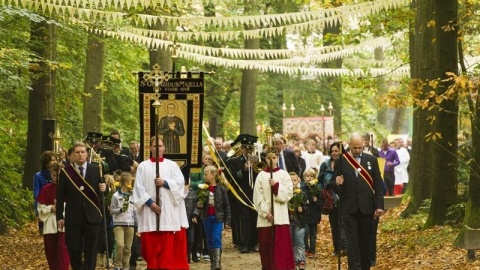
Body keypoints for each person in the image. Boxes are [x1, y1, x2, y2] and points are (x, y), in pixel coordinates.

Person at [132, 136, 189, 269]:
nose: (157, 149)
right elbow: (138, 188)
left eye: (160, 146)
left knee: (166, 248)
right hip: (149, 211)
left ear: (164, 148)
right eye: (154, 146)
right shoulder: (143, 166)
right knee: (150, 248)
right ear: (150, 148)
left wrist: (165, 183)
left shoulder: (172, 165)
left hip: (167, 213)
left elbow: (180, 184)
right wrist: (150, 203)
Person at [334, 133, 385, 270]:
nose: (357, 150)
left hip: (366, 207)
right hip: (349, 208)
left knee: (365, 241)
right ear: (349, 145)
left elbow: (378, 184)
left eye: (359, 147)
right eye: (354, 147)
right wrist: (337, 182)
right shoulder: (341, 160)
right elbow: (333, 185)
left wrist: (379, 205)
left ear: (363, 145)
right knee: (352, 242)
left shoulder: (372, 160)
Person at [56, 141, 107, 270]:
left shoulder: (96, 169)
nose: (80, 155)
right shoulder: (66, 172)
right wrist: (59, 217)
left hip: (92, 216)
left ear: (87, 154)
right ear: (72, 155)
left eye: (83, 152)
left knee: (91, 250)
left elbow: (102, 194)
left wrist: (104, 189)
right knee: (74, 249)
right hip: (73, 217)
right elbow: (60, 196)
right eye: (77, 152)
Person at [253, 151, 295, 270]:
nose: (271, 160)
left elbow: (288, 193)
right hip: (265, 218)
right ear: (265, 159)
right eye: (268, 157)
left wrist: (276, 186)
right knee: (266, 246)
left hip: (280, 217)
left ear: (277, 159)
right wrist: (266, 213)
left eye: (274, 157)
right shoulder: (261, 176)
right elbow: (257, 196)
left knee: (281, 247)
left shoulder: (284, 175)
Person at [225, 134, 259, 253]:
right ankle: (245, 243)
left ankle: (255, 242)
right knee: (244, 218)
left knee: (255, 217)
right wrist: (244, 170)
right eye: (247, 148)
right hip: (242, 193)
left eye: (251, 148)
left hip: (256, 192)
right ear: (243, 148)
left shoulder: (259, 159)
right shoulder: (235, 161)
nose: (249, 150)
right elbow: (232, 178)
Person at [193, 165, 231, 270]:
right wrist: (196, 214)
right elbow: (199, 203)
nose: (204, 176)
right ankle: (213, 263)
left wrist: (227, 221)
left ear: (213, 175)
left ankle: (217, 263)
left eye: (206, 174)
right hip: (206, 217)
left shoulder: (221, 189)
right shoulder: (202, 188)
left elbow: (226, 205)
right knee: (209, 240)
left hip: (218, 218)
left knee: (216, 238)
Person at [37, 164, 70, 270]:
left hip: (64, 223)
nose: (56, 178)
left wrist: (61, 209)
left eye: (59, 176)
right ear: (51, 175)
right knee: (51, 251)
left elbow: (73, 205)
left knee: (63, 249)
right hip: (50, 223)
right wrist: (51, 208)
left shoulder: (68, 189)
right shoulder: (46, 189)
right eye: (54, 175)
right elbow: (40, 207)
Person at [319, 142, 347, 257]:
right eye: (333, 151)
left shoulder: (346, 164)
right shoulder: (325, 164)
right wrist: (322, 193)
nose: (334, 153)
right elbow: (320, 181)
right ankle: (337, 248)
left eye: (337, 151)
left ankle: (344, 247)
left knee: (343, 224)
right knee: (334, 224)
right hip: (330, 198)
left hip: (343, 198)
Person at [110, 172, 136, 270]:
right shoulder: (115, 196)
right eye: (130, 182)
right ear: (126, 183)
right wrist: (120, 210)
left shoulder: (132, 195)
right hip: (119, 224)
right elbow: (112, 210)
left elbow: (135, 211)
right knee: (120, 244)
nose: (132, 183)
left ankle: (126, 266)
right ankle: (117, 265)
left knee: (128, 248)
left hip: (130, 224)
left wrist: (137, 224)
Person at [190, 152, 213, 261]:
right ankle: (197, 249)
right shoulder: (189, 167)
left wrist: (191, 184)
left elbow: (202, 181)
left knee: (204, 226)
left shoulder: (203, 169)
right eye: (205, 158)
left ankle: (206, 250)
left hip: (202, 197)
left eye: (209, 159)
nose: (207, 161)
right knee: (196, 225)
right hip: (191, 199)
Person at [34, 150, 57, 234]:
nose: (55, 161)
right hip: (45, 205)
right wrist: (38, 212)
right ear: (46, 163)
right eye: (52, 160)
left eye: (55, 159)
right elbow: (37, 194)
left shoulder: (58, 172)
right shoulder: (38, 176)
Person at [302, 168, 322, 259]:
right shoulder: (302, 189)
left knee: (313, 234)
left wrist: (316, 200)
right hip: (305, 214)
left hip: (314, 214)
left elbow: (322, 201)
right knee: (306, 232)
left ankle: (312, 250)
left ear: (314, 177)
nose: (309, 178)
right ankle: (306, 248)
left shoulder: (317, 189)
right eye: (307, 176)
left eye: (311, 176)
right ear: (304, 177)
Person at [289, 172, 306, 270]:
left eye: (294, 180)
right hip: (288, 222)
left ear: (298, 181)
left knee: (299, 242)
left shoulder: (301, 193)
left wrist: (302, 209)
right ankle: (292, 261)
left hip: (299, 222)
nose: (292, 182)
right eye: (290, 180)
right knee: (290, 242)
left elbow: (307, 206)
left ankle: (300, 261)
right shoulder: (285, 193)